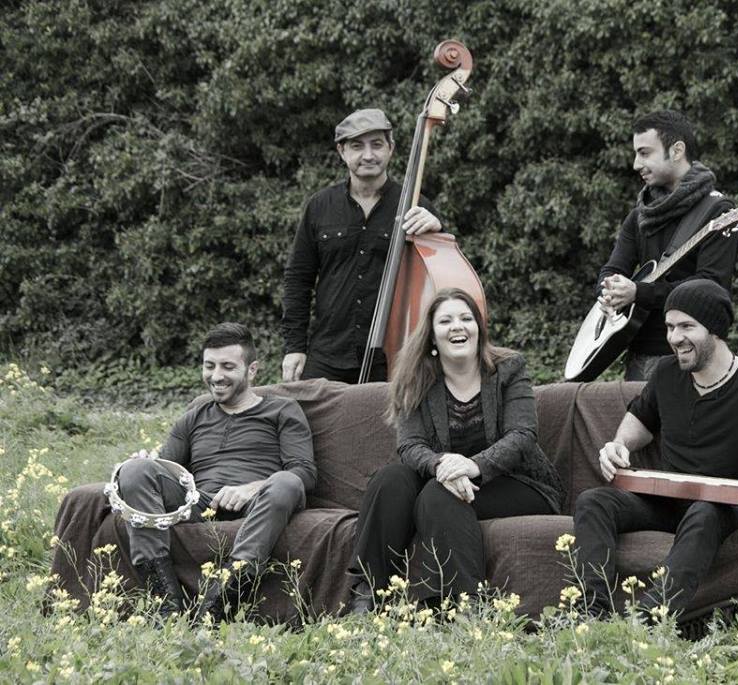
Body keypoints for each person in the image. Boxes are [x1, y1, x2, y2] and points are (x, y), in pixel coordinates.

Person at [573, 279, 738, 620]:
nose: (674, 337)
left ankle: (651, 620)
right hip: (669, 500)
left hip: (728, 507)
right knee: (594, 501)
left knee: (705, 512)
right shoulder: (666, 373)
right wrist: (619, 445)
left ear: (714, 330)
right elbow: (640, 420)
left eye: (686, 326)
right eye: (670, 327)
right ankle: (592, 614)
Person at [346, 288, 566, 612]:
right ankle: (368, 594)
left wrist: (472, 466)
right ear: (432, 336)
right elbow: (410, 445)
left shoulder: (508, 368)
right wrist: (441, 466)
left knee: (438, 495)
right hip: (446, 477)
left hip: (517, 482)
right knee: (390, 479)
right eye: (446, 321)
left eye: (466, 318)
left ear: (478, 328)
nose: (457, 326)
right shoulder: (415, 378)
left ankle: (465, 606)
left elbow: (522, 435)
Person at [115, 322, 316, 620]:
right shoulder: (194, 416)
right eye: (209, 366)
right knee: (134, 469)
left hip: (258, 504)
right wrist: (144, 464)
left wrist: (253, 487)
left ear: (251, 370)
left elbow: (305, 472)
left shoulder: (282, 410)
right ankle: (165, 602)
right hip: (201, 502)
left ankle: (221, 600)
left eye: (227, 366)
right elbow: (167, 468)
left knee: (287, 482)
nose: (216, 376)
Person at [281, 108, 443, 383]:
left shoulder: (416, 207)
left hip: (394, 356)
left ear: (391, 149)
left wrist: (438, 232)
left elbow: (440, 282)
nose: (368, 155)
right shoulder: (320, 206)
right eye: (357, 146)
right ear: (342, 151)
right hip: (328, 353)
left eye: (376, 144)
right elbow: (298, 280)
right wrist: (294, 347)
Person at [596, 109, 738, 380]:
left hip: (696, 356)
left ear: (677, 151)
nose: (636, 164)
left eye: (644, 153)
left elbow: (712, 287)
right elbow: (612, 269)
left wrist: (639, 292)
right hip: (640, 357)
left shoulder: (717, 212)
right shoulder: (640, 215)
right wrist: (609, 291)